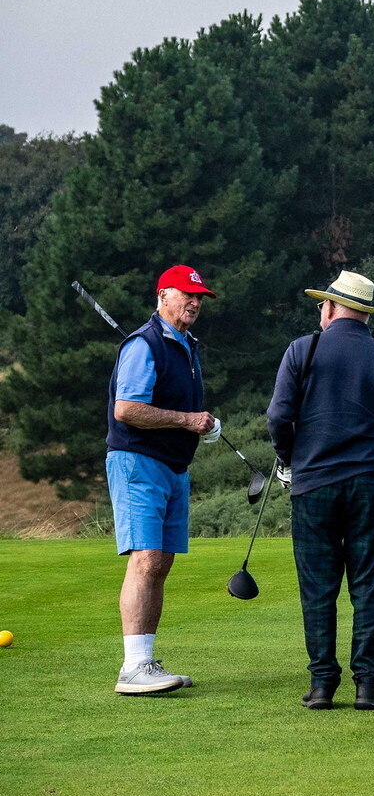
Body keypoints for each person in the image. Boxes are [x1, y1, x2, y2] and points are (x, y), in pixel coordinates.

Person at [266, 269, 374, 710]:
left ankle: (321, 685)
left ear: (331, 307)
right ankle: (369, 683)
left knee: (317, 586)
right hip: (370, 485)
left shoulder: (301, 351)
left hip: (313, 486)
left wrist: (290, 457)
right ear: (365, 313)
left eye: (322, 305)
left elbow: (278, 417)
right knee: (367, 584)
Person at [105, 265, 217, 695]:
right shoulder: (144, 343)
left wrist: (202, 425)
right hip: (139, 460)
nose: (194, 303)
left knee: (162, 562)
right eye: (187, 294)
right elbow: (127, 409)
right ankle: (132, 667)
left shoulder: (186, 345)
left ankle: (145, 661)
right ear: (163, 295)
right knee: (146, 559)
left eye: (200, 297)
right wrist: (188, 420)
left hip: (173, 465)